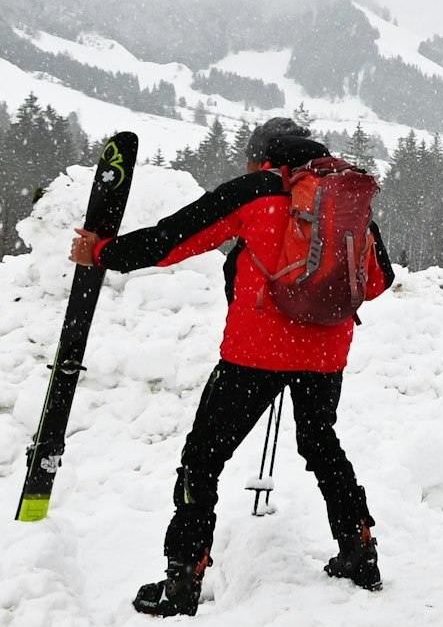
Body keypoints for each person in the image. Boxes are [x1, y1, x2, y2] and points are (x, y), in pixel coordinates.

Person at [68, 117, 394, 616]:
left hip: (255, 355)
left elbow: (173, 239)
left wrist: (103, 252)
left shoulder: (256, 190)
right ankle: (359, 551)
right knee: (321, 444)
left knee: (203, 459)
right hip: (325, 354)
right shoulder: (343, 198)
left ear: (266, 155)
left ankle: (182, 580)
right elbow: (377, 280)